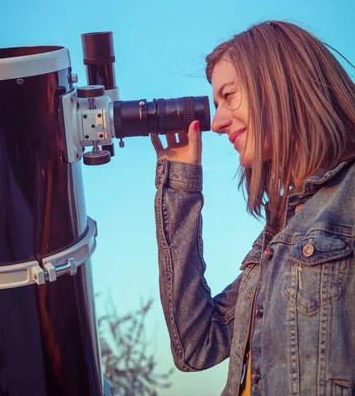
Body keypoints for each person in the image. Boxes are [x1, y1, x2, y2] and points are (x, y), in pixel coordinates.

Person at [150, 20, 355, 396]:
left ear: (280, 83)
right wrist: (179, 185)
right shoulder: (280, 233)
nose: (216, 123)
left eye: (229, 95)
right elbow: (195, 344)